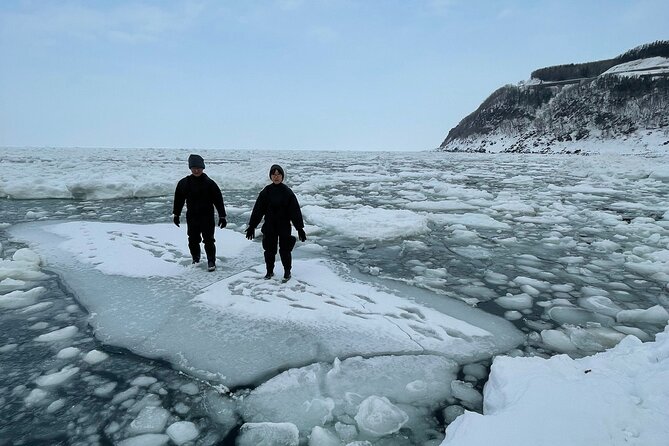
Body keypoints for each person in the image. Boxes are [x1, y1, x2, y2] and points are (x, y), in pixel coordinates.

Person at [246, 164, 306, 281]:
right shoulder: (266, 192)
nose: (276, 177)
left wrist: (300, 228)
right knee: (269, 250)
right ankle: (269, 271)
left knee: (285, 250)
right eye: (274, 174)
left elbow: (295, 211)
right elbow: (258, 210)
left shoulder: (287, 192)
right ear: (270, 176)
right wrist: (252, 226)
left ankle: (287, 271)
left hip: (284, 226)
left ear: (282, 176)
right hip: (270, 226)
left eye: (278, 174)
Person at [173, 154, 227, 272]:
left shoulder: (210, 183)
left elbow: (218, 200)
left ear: (203, 168)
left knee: (209, 240)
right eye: (194, 168)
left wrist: (222, 216)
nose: (196, 170)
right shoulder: (184, 183)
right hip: (192, 217)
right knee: (193, 239)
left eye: (198, 167)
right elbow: (179, 200)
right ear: (190, 168)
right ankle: (195, 259)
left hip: (207, 217)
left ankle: (211, 261)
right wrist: (176, 214)